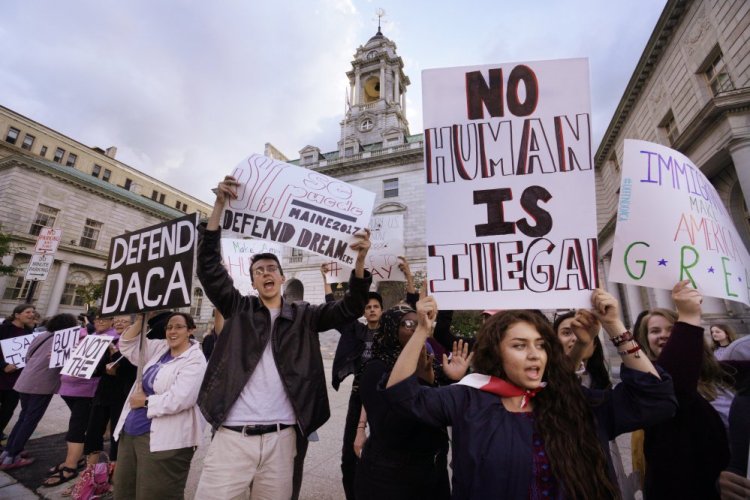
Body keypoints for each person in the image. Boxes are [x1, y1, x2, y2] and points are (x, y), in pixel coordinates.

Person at [384, 290, 677, 499]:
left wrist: (615, 326)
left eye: (540, 345)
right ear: (496, 352)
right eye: (520, 345)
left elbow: (655, 401)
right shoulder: (468, 399)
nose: (534, 355)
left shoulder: (575, 404)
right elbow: (401, 396)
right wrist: (422, 330)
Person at [193, 175, 373, 499]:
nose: (266, 273)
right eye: (258, 270)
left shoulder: (305, 315)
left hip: (282, 439)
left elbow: (350, 308)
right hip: (233, 436)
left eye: (270, 268)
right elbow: (208, 267)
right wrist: (219, 206)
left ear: (281, 276)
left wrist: (359, 262)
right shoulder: (238, 308)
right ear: (252, 281)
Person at [355, 304, 472, 500]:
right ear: (391, 328)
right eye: (408, 323)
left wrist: (453, 378)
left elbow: (448, 410)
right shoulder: (376, 367)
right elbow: (389, 429)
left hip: (432, 470)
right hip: (391, 477)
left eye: (419, 324)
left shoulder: (431, 361)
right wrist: (419, 382)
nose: (415, 328)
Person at [633, 281, 732, 499]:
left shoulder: (721, 376)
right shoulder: (651, 383)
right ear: (646, 341)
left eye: (672, 329)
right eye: (655, 331)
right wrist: (688, 316)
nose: (664, 335)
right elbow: (675, 385)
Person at [112, 312, 207, 499]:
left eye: (179, 327)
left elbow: (181, 398)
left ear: (191, 330)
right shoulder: (160, 348)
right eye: (169, 327)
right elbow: (127, 345)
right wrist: (142, 319)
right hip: (130, 433)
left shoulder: (195, 359)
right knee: (124, 490)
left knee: (155, 493)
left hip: (162, 441)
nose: (172, 331)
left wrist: (146, 401)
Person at [44, 313, 116, 487]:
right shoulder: (91, 336)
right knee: (78, 426)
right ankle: (75, 459)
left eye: (104, 319)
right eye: (97, 318)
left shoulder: (113, 339)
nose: (99, 321)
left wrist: (110, 353)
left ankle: (70, 466)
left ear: (112, 322)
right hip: (70, 387)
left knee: (77, 427)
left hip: (87, 390)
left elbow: (104, 367)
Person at [0, 313, 78, 470]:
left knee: (23, 417)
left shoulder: (41, 335)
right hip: (41, 385)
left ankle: (9, 451)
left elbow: (27, 355)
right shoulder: (63, 340)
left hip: (25, 380)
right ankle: (11, 457)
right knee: (30, 419)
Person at [83, 314, 137, 463]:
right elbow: (96, 369)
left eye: (124, 321)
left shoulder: (137, 344)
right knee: (93, 430)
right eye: (117, 321)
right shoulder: (108, 342)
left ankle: (114, 469)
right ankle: (90, 472)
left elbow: (133, 369)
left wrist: (116, 359)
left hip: (122, 395)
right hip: (103, 393)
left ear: (133, 325)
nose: (119, 324)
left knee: (117, 434)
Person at [0, 304, 36, 440]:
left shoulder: (29, 333)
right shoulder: (3, 329)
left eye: (33, 312)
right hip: (2, 374)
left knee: (7, 410)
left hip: (17, 380)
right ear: (17, 315)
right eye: (27, 312)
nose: (31, 314)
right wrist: (3, 366)